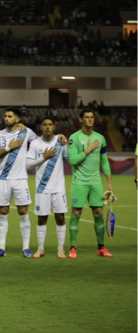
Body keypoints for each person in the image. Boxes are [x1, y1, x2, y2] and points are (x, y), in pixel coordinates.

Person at [0, 108, 63, 258]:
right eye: (5, 116)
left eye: (10, 116)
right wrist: (9, 147)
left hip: (21, 179)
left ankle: (26, 248)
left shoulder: (26, 132)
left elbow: (41, 140)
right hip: (3, 178)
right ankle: (1, 248)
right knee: (3, 213)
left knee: (23, 213)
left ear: (17, 119)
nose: (6, 118)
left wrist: (59, 137)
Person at [67, 109, 114, 259]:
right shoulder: (74, 138)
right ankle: (72, 247)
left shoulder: (100, 138)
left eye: (92, 117)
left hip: (96, 182)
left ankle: (101, 247)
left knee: (99, 213)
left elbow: (105, 161)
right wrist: (88, 149)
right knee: (76, 214)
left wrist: (110, 182)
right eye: (86, 117)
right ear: (81, 119)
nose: (89, 120)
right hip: (79, 182)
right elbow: (72, 160)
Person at [26, 117, 68, 259]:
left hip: (59, 187)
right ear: (41, 127)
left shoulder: (60, 142)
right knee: (42, 218)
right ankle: (40, 249)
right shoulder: (35, 144)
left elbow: (68, 158)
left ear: (54, 126)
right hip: (42, 188)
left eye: (50, 124)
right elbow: (28, 165)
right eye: (45, 125)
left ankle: (61, 249)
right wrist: (43, 158)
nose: (47, 127)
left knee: (60, 217)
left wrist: (67, 142)